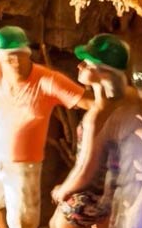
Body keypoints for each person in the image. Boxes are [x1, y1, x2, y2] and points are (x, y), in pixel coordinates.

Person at [0, 25, 90, 228]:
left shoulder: (46, 80)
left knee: (24, 221)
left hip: (23, 163)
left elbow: (87, 101)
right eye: (9, 57)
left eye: (20, 55)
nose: (16, 62)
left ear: (28, 53)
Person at [52, 34, 142, 228]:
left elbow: (87, 170)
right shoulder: (132, 98)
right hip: (116, 193)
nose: (79, 66)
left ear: (103, 72)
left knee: (56, 222)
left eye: (86, 63)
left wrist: (63, 190)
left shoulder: (97, 116)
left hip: (92, 196)